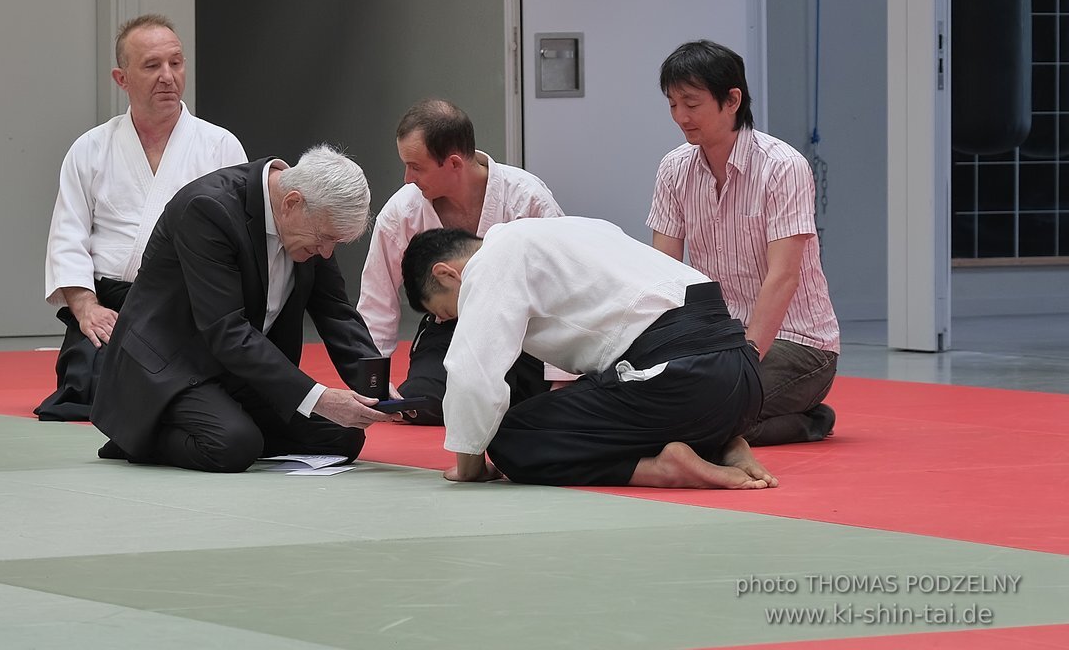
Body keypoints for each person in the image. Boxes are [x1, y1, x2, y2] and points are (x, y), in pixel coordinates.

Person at [400, 218, 777, 489]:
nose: (457, 318)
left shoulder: (491, 262)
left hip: (680, 377)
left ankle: (661, 469)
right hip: (741, 378)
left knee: (511, 437)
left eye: (449, 311)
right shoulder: (572, 229)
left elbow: (473, 370)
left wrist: (469, 465)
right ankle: (719, 442)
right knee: (582, 405)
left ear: (448, 274)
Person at [92, 145, 400, 473]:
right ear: (292, 202)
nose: (326, 253)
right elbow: (227, 330)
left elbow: (335, 310)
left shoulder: (311, 220)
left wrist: (376, 388)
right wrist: (319, 397)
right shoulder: (209, 208)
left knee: (345, 434)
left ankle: (228, 424)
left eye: (335, 244)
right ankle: (142, 434)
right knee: (233, 446)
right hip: (171, 367)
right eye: (325, 239)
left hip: (237, 369)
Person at [38, 14, 247, 421]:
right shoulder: (90, 148)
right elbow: (68, 235)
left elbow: (242, 244)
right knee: (87, 390)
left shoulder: (220, 146)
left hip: (188, 303)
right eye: (152, 66)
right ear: (122, 78)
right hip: (111, 303)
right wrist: (87, 309)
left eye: (176, 63)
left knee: (196, 386)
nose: (168, 76)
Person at [647, 39, 839, 446]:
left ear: (732, 100)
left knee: (712, 417)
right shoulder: (673, 168)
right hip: (720, 341)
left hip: (798, 342)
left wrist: (745, 360)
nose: (680, 116)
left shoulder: (783, 167)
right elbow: (662, 271)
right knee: (654, 404)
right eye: (672, 104)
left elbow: (783, 277)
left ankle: (812, 420)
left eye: (692, 103)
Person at [357, 98, 564, 423]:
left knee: (528, 405)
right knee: (420, 403)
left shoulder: (526, 198)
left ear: (453, 163)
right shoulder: (402, 212)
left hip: (525, 332)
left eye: (416, 166)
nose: (407, 178)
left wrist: (561, 381)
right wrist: (372, 383)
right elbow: (377, 300)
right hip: (449, 329)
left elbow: (561, 291)